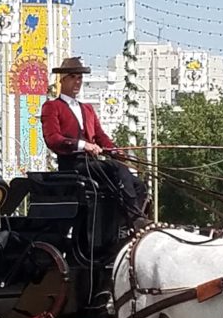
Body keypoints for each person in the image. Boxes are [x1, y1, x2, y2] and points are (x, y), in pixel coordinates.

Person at [40, 56, 149, 226]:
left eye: (80, 78)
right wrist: (83, 145)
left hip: (92, 163)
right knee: (116, 168)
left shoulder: (87, 108)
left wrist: (116, 151)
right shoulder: (52, 107)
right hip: (73, 164)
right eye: (73, 77)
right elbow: (53, 139)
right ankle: (135, 219)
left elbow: (100, 136)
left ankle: (123, 225)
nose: (78, 82)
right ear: (62, 80)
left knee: (138, 184)